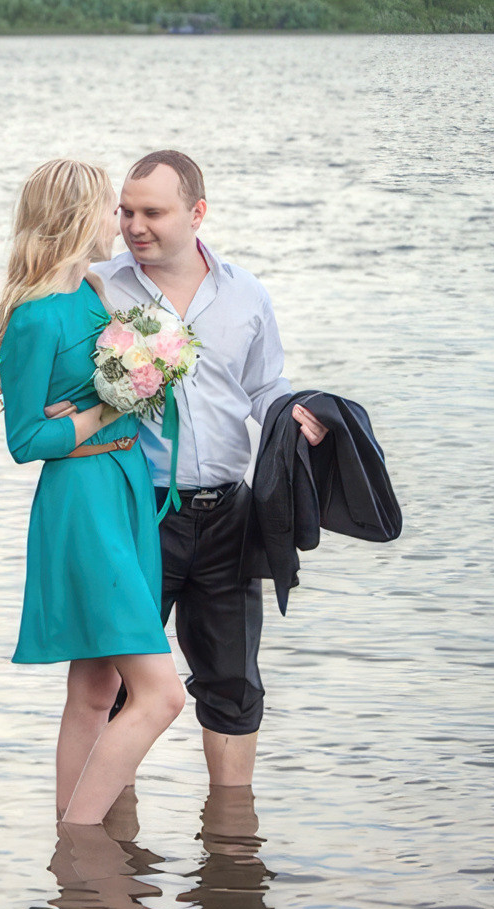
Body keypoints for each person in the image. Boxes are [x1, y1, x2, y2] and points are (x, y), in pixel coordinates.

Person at [98, 150, 324, 790]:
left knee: (233, 680)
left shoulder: (245, 292)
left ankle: (231, 845)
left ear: (197, 213)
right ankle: (107, 850)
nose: (135, 226)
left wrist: (296, 412)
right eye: (126, 211)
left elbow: (262, 387)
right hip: (138, 515)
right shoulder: (99, 287)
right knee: (119, 685)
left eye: (152, 212)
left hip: (231, 514)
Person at [0, 157, 189, 824]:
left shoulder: (94, 297)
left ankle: (71, 855)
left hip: (126, 486)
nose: (119, 220)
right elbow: (24, 440)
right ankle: (80, 835)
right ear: (77, 217)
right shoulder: (35, 318)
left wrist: (146, 375)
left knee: (95, 687)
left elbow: (118, 392)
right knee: (163, 696)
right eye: (110, 207)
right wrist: (105, 408)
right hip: (82, 503)